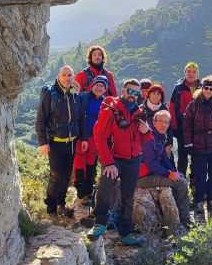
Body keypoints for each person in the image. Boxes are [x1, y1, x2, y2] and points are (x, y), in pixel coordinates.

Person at [88, 79, 153, 245]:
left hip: (134, 160)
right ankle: (99, 224)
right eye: (130, 91)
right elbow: (100, 138)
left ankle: (125, 233)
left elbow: (145, 139)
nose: (133, 95)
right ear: (123, 91)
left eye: (136, 93)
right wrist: (108, 163)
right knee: (105, 185)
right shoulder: (111, 111)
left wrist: (147, 132)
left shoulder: (139, 113)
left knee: (128, 195)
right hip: (115, 159)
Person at [34, 66, 88, 219]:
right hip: (55, 142)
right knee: (56, 175)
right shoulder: (50, 94)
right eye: (64, 75)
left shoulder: (75, 95)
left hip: (71, 142)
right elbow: (40, 120)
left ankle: (61, 204)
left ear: (73, 77)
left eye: (70, 75)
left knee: (66, 175)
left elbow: (81, 119)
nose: (67, 78)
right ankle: (51, 209)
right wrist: (42, 142)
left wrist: (83, 138)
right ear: (58, 76)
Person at [183, 76, 212, 213]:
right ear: (201, 88)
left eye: (211, 89)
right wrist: (188, 144)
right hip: (198, 146)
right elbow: (186, 125)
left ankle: (211, 199)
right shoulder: (193, 105)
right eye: (206, 88)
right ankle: (198, 201)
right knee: (200, 174)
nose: (208, 91)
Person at [138, 109, 191, 228]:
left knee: (180, 176)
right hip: (142, 177)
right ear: (154, 122)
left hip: (150, 173)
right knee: (181, 183)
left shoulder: (159, 136)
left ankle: (179, 210)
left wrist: (173, 171)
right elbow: (150, 162)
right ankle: (184, 219)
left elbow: (164, 158)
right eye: (161, 121)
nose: (164, 125)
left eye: (166, 122)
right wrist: (168, 174)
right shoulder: (149, 137)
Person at [72, 75, 109, 210]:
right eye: (97, 85)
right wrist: (83, 137)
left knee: (91, 163)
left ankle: (89, 190)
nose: (99, 88)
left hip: (96, 139)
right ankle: (81, 193)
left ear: (105, 89)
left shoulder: (105, 102)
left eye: (102, 86)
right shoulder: (83, 97)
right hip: (82, 137)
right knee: (80, 163)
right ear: (92, 85)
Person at [170, 62, 202, 177]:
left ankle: (194, 183)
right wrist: (175, 128)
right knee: (182, 156)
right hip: (182, 128)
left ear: (197, 74)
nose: (191, 74)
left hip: (199, 129)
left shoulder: (203, 87)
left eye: (194, 71)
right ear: (185, 73)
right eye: (189, 71)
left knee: (197, 156)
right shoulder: (178, 88)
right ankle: (181, 182)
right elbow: (172, 107)